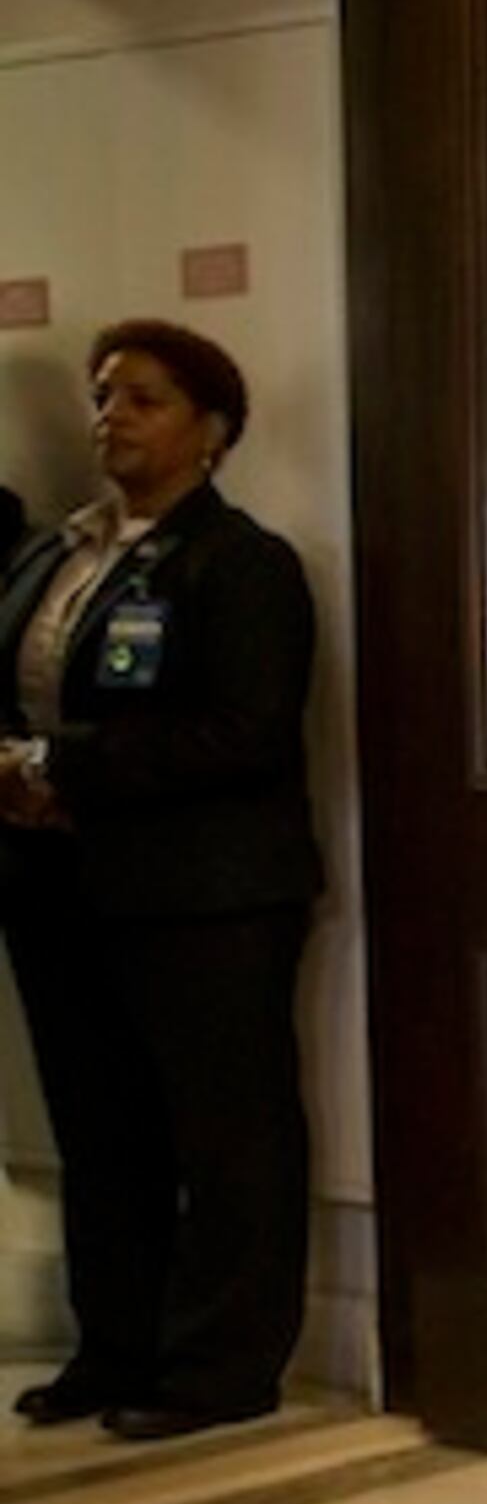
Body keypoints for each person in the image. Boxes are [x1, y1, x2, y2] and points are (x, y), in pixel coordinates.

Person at [0, 320, 324, 1442]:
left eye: (144, 399)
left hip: (205, 895)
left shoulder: (240, 564)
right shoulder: (54, 553)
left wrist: (63, 766)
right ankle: (114, 1346)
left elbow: (241, 733)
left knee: (226, 1134)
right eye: (103, 397)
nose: (111, 420)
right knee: (102, 1131)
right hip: (58, 886)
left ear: (211, 431)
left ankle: (221, 1365)